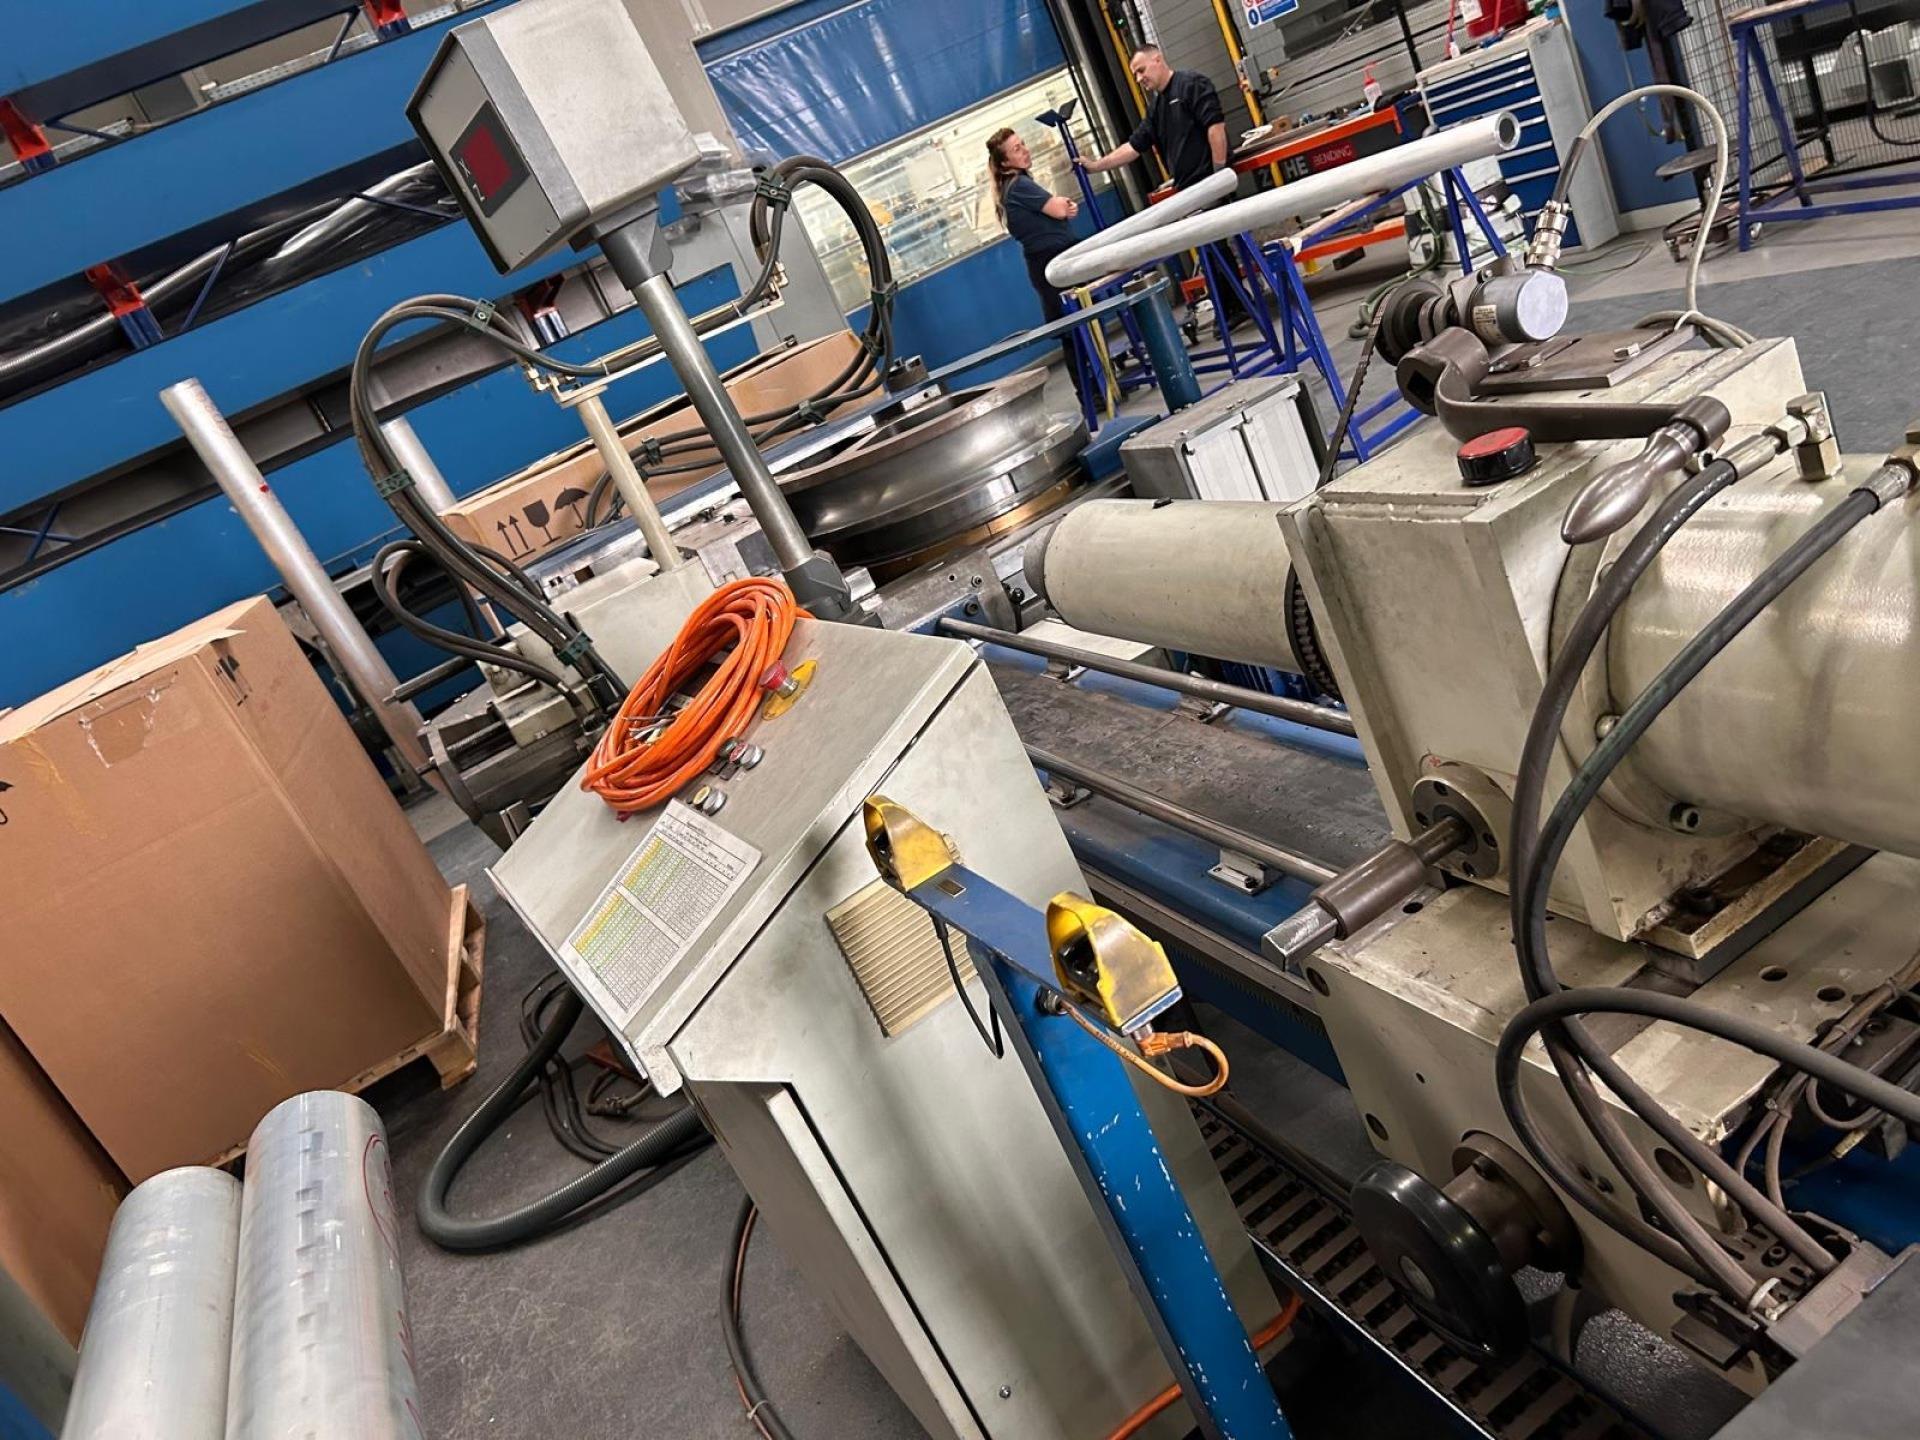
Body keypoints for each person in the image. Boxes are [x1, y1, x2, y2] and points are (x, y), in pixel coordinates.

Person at [987, 126, 1094, 408]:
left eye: (1023, 144)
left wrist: (1063, 205)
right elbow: (1058, 209)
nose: (1025, 150)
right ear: (1004, 163)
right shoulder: (1019, 186)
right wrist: (1062, 206)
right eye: (1016, 149)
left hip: (1054, 261)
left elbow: (1060, 207)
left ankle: (1095, 392)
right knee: (1074, 333)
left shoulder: (1018, 184)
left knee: (1077, 332)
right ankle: (1091, 396)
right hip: (1052, 264)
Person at [1078, 45, 1228, 193]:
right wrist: (1095, 166)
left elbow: (1215, 128)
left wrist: (1219, 176)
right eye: (1135, 75)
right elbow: (1132, 147)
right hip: (1188, 189)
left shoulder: (1191, 84)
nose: (1139, 79)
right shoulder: (1156, 109)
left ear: (1158, 60)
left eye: (1141, 70)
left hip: (1209, 182)